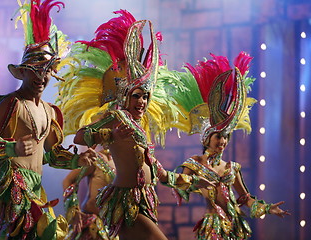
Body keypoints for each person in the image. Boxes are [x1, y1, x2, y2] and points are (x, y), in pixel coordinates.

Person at [60, 10, 214, 240]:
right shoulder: (116, 117)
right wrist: (107, 134)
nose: (141, 102)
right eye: (136, 96)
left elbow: (159, 173)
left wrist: (192, 181)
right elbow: (80, 137)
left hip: (144, 200)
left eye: (145, 97)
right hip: (125, 202)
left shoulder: (141, 128)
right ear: (126, 97)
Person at [0, 1, 97, 239]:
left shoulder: (50, 112)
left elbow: (51, 155)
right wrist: (12, 147)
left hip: (36, 186)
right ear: (23, 71)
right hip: (13, 185)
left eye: (46, 70)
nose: (41, 76)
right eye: (35, 69)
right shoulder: (10, 103)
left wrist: (76, 160)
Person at [173, 52, 290, 239]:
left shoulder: (231, 168)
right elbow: (177, 184)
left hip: (234, 226)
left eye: (226, 136)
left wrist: (268, 209)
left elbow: (245, 199)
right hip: (212, 227)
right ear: (206, 138)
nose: (223, 141)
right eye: (218, 136)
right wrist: (194, 182)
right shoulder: (194, 163)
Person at [62, 147, 117, 240]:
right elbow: (68, 180)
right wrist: (73, 210)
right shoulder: (96, 159)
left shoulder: (127, 163)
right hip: (90, 227)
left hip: (112, 229)